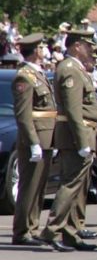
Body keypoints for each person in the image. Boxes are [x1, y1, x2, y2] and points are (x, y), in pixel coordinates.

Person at [37, 30, 97, 252]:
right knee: (71, 183)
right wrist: (83, 141)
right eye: (87, 46)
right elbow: (74, 110)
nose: (91, 50)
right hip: (77, 135)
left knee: (78, 185)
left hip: (81, 134)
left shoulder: (76, 69)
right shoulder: (70, 69)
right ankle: (51, 230)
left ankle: (71, 233)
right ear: (76, 46)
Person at [10, 33, 57, 246]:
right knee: (29, 186)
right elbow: (23, 114)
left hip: (46, 137)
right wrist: (33, 142)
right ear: (36, 50)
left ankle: (33, 226)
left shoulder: (38, 74)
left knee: (39, 186)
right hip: (35, 138)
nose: (44, 49)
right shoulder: (25, 76)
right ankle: (22, 231)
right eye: (42, 46)